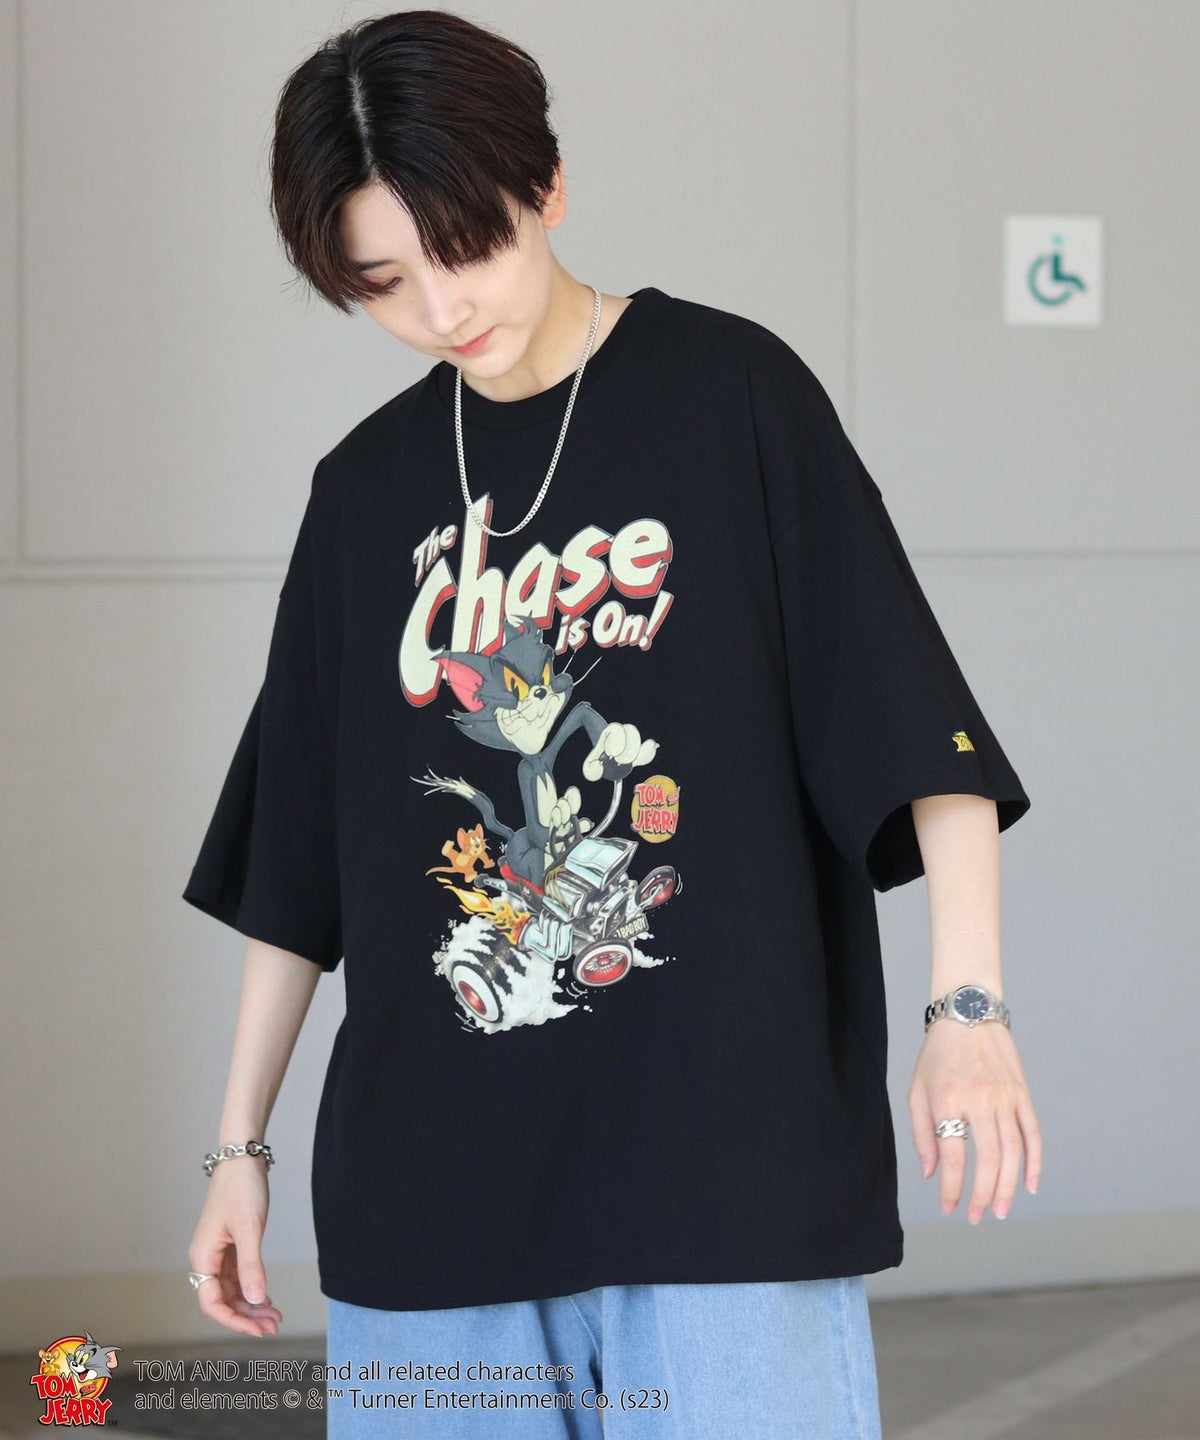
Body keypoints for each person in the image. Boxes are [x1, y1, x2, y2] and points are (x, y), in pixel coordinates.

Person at [182, 10, 1043, 1438]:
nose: (441, 309)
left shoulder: (735, 395)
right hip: (435, 1202)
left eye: (466, 247)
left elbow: (909, 722)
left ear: (548, 185)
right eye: (385, 282)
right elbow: (298, 858)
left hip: (724, 1180)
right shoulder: (363, 493)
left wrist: (970, 1012)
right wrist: (237, 1149)